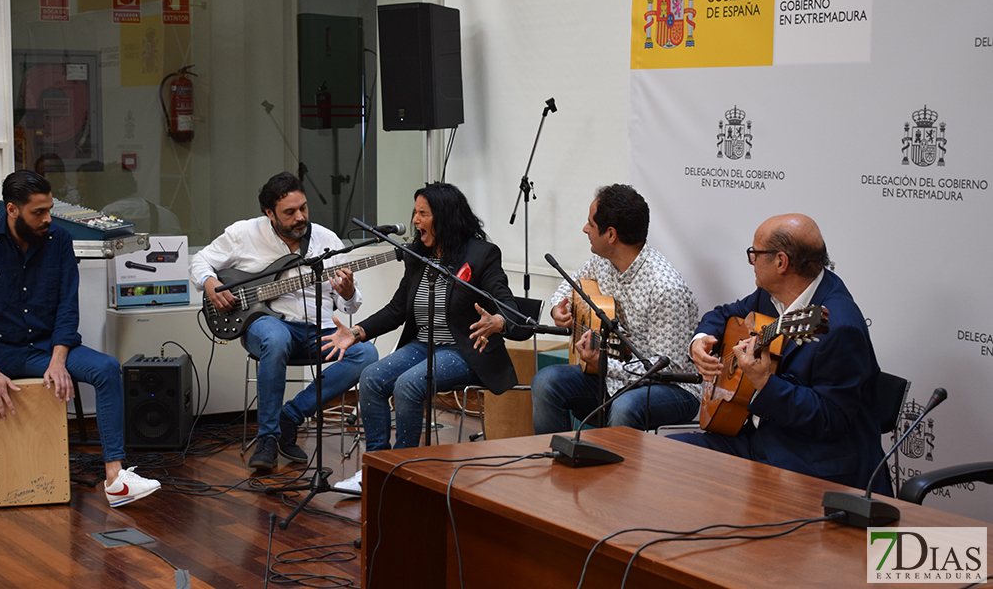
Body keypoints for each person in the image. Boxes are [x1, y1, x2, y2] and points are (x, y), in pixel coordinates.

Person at [0, 170, 161, 515]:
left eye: (49, 209)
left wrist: (58, 358)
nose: (47, 218)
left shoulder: (60, 240)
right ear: (11, 210)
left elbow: (68, 307)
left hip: (44, 349)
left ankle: (116, 478)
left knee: (108, 369)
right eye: (38, 212)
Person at [323, 182, 531, 491]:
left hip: (464, 349)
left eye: (423, 213)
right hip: (423, 345)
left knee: (409, 385)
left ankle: (406, 468)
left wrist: (498, 321)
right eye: (415, 212)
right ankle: (376, 466)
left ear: (445, 216)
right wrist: (356, 332)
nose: (416, 221)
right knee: (370, 377)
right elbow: (397, 309)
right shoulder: (417, 256)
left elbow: (508, 304)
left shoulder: (481, 254)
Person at [671, 214, 888, 494]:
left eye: (755, 254)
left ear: (781, 262)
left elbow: (830, 419)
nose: (751, 262)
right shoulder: (770, 296)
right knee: (667, 456)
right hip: (755, 438)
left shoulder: (839, 326)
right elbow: (724, 314)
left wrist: (765, 383)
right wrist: (700, 341)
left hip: (811, 461)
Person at [189, 171, 378, 471]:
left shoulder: (326, 240)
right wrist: (209, 283)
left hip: (317, 330)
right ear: (269, 213)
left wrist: (349, 291)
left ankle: (291, 416)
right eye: (289, 212)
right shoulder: (244, 234)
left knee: (365, 353)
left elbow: (350, 303)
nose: (300, 217)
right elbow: (200, 260)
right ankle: (267, 439)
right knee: (276, 339)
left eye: (303, 208)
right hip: (264, 325)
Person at [531, 184, 701, 433]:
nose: (585, 229)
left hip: (673, 388)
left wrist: (605, 366)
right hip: (614, 377)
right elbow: (573, 284)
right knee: (546, 382)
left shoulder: (665, 287)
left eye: (590, 223)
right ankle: (558, 462)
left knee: (624, 406)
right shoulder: (602, 261)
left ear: (610, 235)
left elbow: (668, 368)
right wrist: (559, 307)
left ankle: (612, 471)